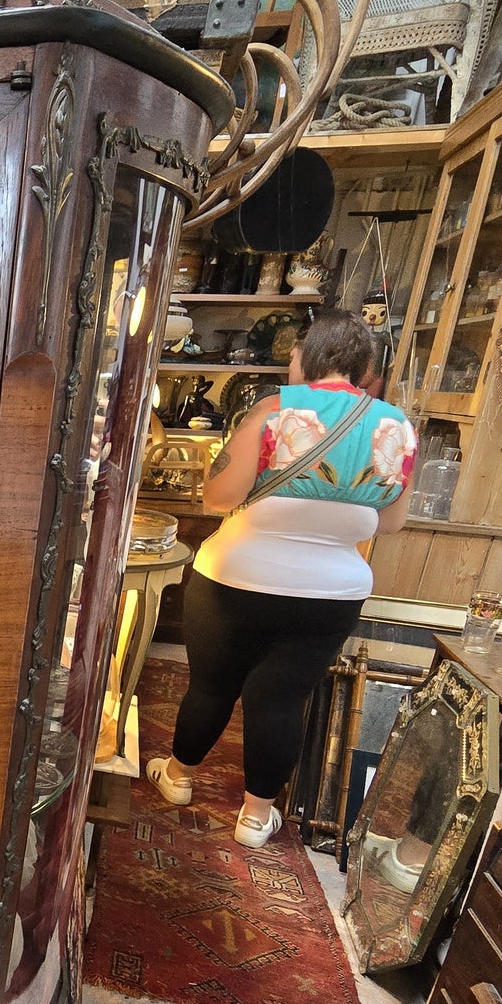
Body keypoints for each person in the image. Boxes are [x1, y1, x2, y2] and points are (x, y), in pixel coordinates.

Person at [146, 312, 418, 848]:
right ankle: (254, 816)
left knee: (211, 685)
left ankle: (177, 778)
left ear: (307, 358)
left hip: (234, 577)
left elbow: (218, 496)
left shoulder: (274, 410)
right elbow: (390, 520)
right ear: (364, 368)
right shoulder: (397, 427)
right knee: (279, 698)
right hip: (329, 594)